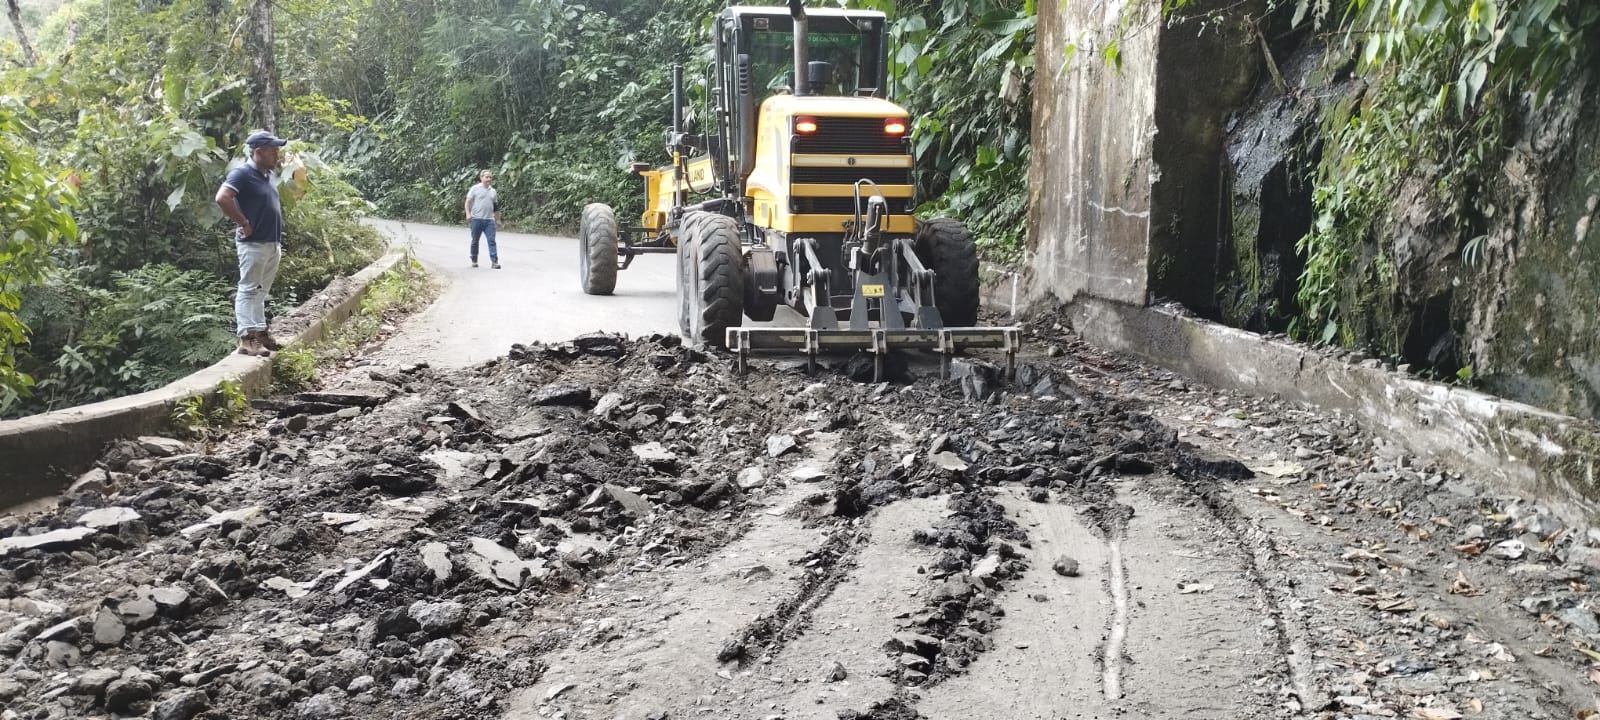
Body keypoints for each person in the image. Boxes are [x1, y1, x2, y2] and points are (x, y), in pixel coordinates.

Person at [215, 130, 288, 357]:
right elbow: (222, 197)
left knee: (261, 291)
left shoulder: (267, 174)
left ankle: (260, 332)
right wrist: (243, 222)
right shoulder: (242, 174)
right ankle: (246, 339)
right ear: (259, 152)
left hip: (271, 242)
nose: (277, 154)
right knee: (248, 290)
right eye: (273, 150)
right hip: (254, 243)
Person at [464, 169, 501, 269]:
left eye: (490, 177)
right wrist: (468, 214)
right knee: (475, 240)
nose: (488, 179)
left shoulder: (493, 191)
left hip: (489, 220)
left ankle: (494, 262)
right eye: (486, 177)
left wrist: (497, 219)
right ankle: (474, 259)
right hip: (476, 219)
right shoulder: (475, 189)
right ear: (481, 178)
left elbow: (496, 207)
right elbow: (467, 202)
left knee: (491, 240)